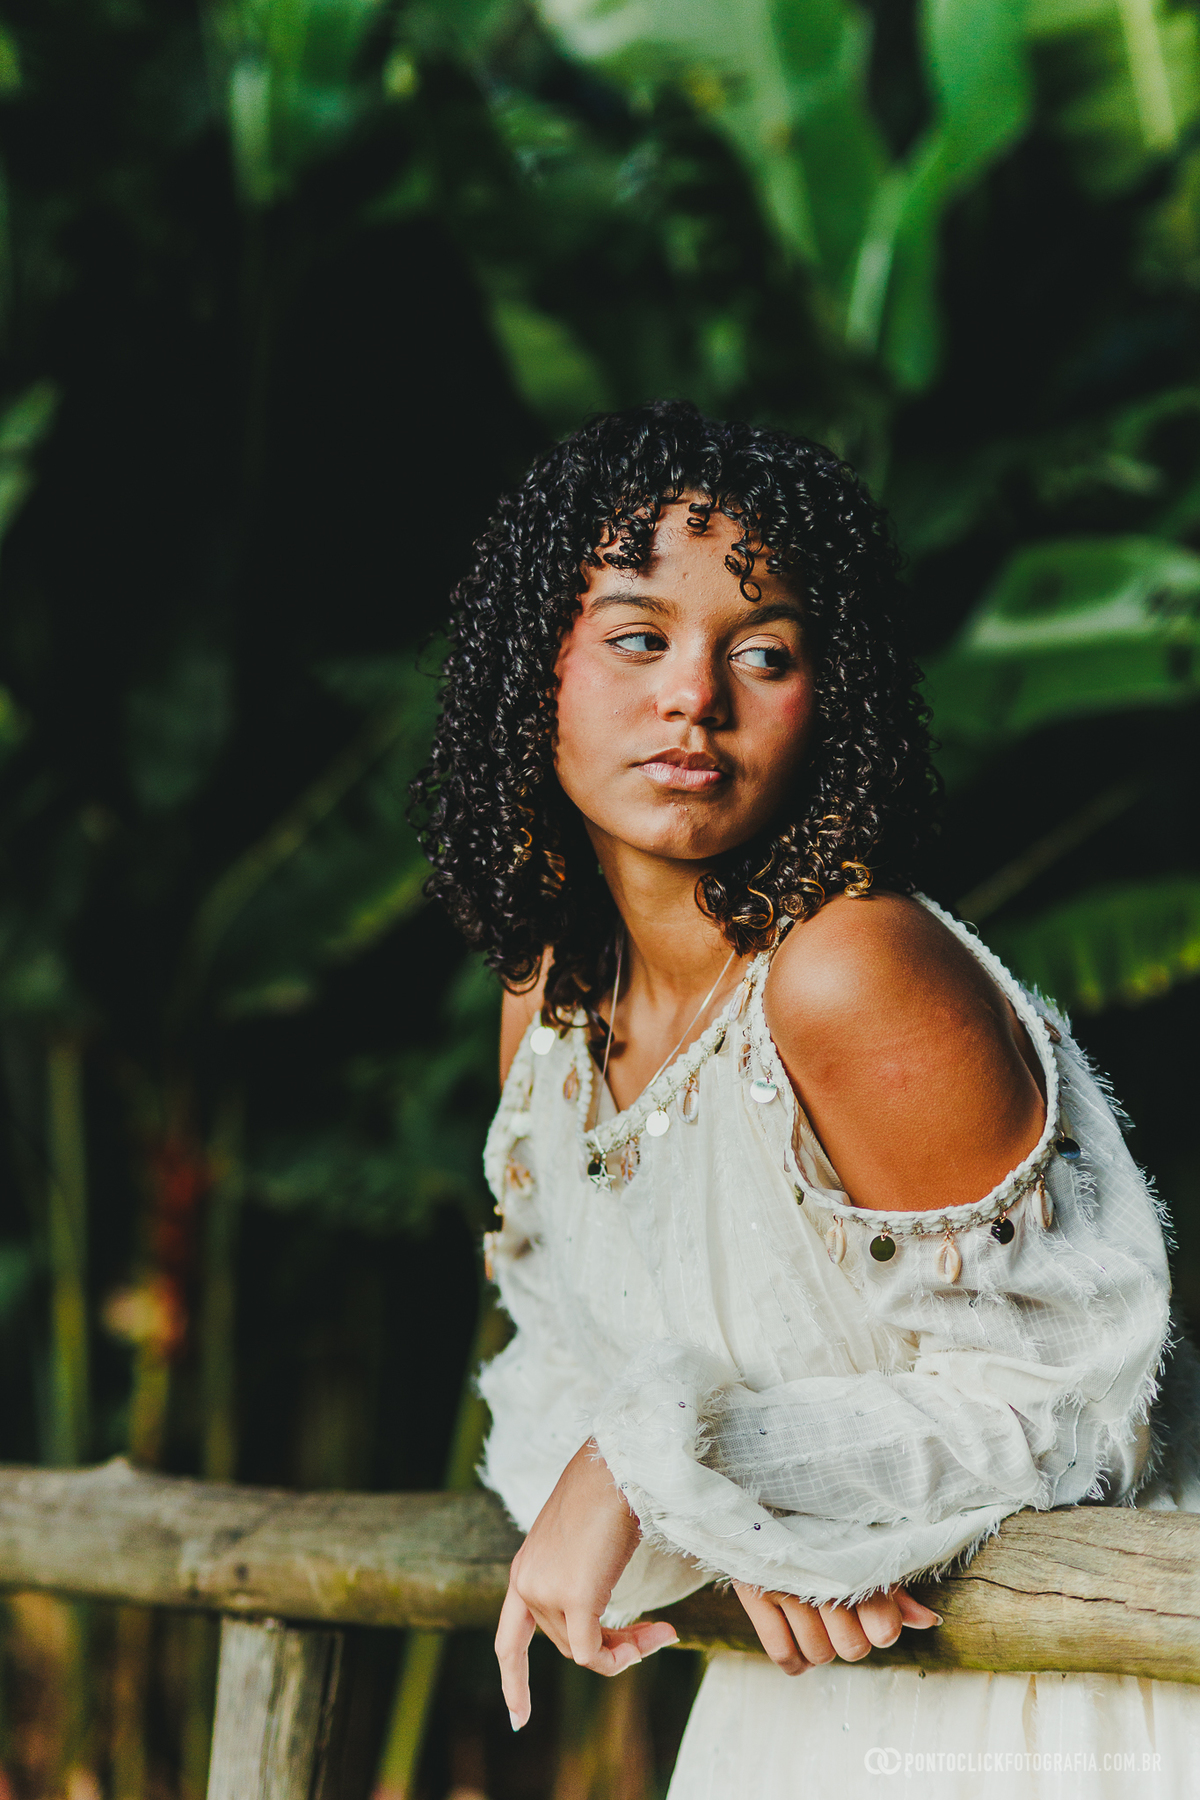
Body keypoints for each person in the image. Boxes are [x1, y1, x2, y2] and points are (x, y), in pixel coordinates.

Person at [412, 401, 1200, 1797]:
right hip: (803, 1683)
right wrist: (731, 1511)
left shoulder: (849, 966)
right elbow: (561, 1368)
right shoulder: (549, 1003)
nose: (692, 700)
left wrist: (668, 1472)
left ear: (826, 697)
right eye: (638, 636)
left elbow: (1072, 1410)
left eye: (761, 652)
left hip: (1057, 1688)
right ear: (533, 670)